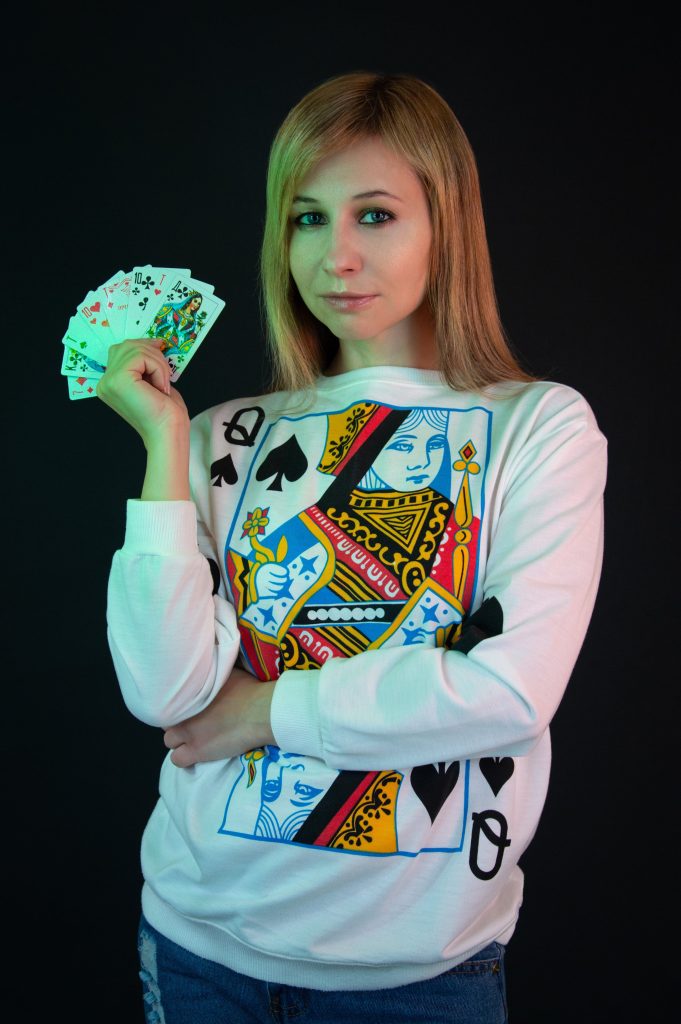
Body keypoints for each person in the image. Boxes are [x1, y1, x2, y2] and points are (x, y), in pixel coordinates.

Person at [97, 70, 607, 1024]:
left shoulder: (540, 428)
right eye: (306, 218)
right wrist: (164, 445)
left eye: (375, 215)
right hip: (198, 941)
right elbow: (165, 697)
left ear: (445, 225)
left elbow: (508, 690)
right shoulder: (220, 435)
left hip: (416, 978)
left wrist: (265, 712)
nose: (335, 256)